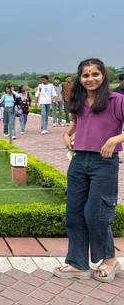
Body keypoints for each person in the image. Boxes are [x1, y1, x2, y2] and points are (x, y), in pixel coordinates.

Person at [54, 58, 124, 283]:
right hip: (78, 161)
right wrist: (66, 135)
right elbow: (76, 124)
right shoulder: (79, 100)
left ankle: (110, 260)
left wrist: (115, 138)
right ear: (80, 78)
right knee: (74, 213)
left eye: (95, 74)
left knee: (96, 214)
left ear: (103, 76)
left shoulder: (117, 100)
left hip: (104, 162)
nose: (90, 78)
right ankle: (78, 263)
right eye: (86, 75)